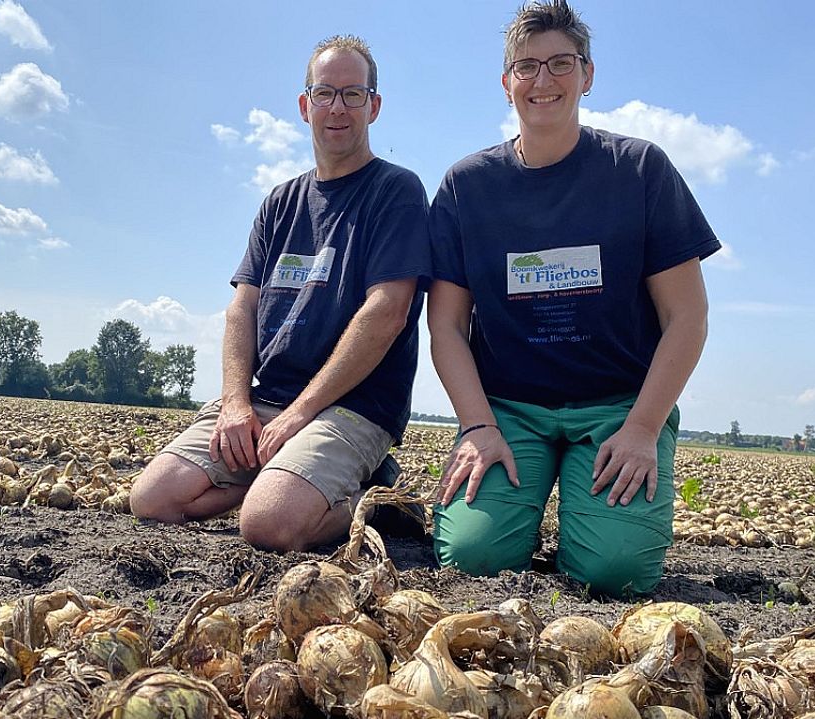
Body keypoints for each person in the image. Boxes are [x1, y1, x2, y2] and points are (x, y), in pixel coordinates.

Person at [427, 0, 719, 597]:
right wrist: (478, 425)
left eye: (561, 63)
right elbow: (448, 327)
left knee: (614, 572)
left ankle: (595, 526)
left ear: (588, 74)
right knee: (471, 557)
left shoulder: (640, 170)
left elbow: (686, 315)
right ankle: (514, 513)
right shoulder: (467, 186)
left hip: (617, 408)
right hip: (508, 409)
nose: (543, 80)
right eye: (526, 66)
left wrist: (642, 428)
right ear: (506, 82)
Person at [129, 35, 431, 553]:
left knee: (266, 526)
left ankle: (374, 499)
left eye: (353, 95)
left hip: (351, 406)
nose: (337, 107)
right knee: (153, 500)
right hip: (267, 399)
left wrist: (299, 416)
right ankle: (293, 479)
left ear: (373, 106)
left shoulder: (395, 191)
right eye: (324, 93)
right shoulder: (280, 202)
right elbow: (243, 307)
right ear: (304, 104)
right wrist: (234, 404)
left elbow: (387, 313)